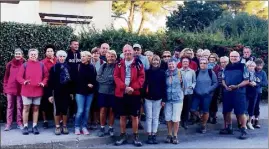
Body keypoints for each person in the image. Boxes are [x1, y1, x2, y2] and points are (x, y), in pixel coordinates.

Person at [114, 44, 145, 147]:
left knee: (134, 116)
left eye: (129, 50)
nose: (127, 52)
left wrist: (133, 88)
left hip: (134, 93)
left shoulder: (138, 63)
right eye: (125, 51)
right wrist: (124, 87)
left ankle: (135, 137)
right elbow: (116, 76)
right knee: (122, 116)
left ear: (133, 52)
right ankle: (122, 135)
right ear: (123, 52)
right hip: (121, 93)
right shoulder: (119, 63)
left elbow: (142, 77)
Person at [16, 48, 49, 135]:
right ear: (29, 55)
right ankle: (25, 126)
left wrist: (43, 82)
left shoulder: (41, 65)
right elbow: (18, 77)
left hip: (38, 90)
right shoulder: (25, 65)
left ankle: (34, 126)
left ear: (37, 55)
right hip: (26, 91)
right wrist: (24, 81)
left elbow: (46, 76)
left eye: (35, 54)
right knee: (26, 108)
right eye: (32, 54)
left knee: (36, 108)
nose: (33, 56)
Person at [220, 51, 249, 139]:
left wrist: (236, 86)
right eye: (232, 56)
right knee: (226, 111)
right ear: (229, 57)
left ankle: (243, 129)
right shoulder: (226, 67)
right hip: (227, 92)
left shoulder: (243, 66)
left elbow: (246, 80)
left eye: (235, 56)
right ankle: (229, 128)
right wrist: (225, 86)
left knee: (240, 112)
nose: (233, 58)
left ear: (239, 57)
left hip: (239, 93)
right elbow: (223, 79)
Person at [143, 55, 167, 144]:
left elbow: (164, 86)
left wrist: (164, 99)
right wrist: (142, 96)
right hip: (148, 98)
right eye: (154, 60)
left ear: (159, 62)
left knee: (155, 117)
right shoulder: (147, 72)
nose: (155, 62)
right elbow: (144, 85)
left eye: (157, 60)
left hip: (158, 98)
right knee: (149, 117)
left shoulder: (162, 72)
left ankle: (154, 134)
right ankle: (149, 135)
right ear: (151, 61)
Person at [190, 58, 218, 133]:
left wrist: (208, 90)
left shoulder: (210, 72)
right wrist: (195, 90)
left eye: (204, 63)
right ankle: (200, 117)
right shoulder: (196, 72)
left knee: (205, 111)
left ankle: (203, 126)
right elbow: (193, 82)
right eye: (201, 63)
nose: (203, 64)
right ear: (199, 64)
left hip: (207, 95)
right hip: (197, 95)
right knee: (192, 109)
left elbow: (215, 83)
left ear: (207, 64)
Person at [47, 50, 72, 135]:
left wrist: (71, 92)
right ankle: (57, 127)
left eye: (63, 56)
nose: (62, 58)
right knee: (57, 110)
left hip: (66, 92)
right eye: (60, 56)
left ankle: (64, 126)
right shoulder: (53, 68)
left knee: (65, 110)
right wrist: (50, 95)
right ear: (57, 57)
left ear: (65, 57)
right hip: (56, 91)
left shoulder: (69, 67)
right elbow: (50, 82)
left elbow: (71, 82)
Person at [74, 51, 97, 135]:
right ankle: (77, 127)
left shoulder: (92, 67)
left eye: (84, 56)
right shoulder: (78, 66)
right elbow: (76, 80)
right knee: (80, 110)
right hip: (80, 92)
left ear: (88, 57)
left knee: (87, 111)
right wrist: (87, 84)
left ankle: (84, 127)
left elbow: (95, 79)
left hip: (90, 93)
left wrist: (92, 85)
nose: (82, 57)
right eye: (82, 56)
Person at [3, 48, 25, 131]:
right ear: (14, 55)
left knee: (20, 106)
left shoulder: (24, 63)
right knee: (10, 106)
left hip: (20, 89)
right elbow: (6, 77)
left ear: (22, 55)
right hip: (10, 88)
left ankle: (19, 122)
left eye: (19, 54)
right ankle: (9, 123)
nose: (17, 55)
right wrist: (5, 87)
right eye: (16, 54)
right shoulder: (9, 64)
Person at [97, 50, 117, 137]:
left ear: (115, 57)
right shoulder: (103, 66)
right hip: (102, 91)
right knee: (103, 110)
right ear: (106, 57)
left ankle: (110, 128)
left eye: (112, 56)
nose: (110, 58)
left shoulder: (118, 66)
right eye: (109, 56)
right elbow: (98, 78)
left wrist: (108, 79)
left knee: (112, 111)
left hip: (113, 92)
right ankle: (102, 128)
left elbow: (116, 79)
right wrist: (109, 79)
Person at [164, 59, 184, 144]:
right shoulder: (165, 74)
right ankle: (169, 134)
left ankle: (175, 135)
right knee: (168, 117)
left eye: (172, 64)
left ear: (175, 65)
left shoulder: (180, 73)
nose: (171, 66)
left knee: (176, 118)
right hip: (168, 99)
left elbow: (184, 86)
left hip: (177, 99)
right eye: (169, 64)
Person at [41, 44, 57, 129]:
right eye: (48, 51)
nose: (49, 52)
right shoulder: (42, 62)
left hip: (56, 85)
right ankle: (45, 121)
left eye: (51, 51)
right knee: (45, 104)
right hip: (46, 85)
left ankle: (58, 121)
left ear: (54, 52)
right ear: (45, 53)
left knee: (57, 103)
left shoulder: (58, 60)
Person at [89, 47, 106, 130]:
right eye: (94, 53)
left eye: (97, 53)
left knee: (97, 104)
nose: (95, 54)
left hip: (100, 87)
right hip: (89, 86)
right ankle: (89, 121)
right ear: (91, 54)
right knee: (89, 104)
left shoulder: (103, 63)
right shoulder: (88, 62)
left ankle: (96, 121)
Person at [66, 40, 81, 122]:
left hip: (78, 81)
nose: (76, 45)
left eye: (77, 44)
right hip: (69, 81)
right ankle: (68, 115)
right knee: (69, 99)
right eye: (75, 44)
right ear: (70, 45)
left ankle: (76, 114)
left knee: (77, 98)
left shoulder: (80, 54)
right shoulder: (67, 54)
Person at [179, 57, 196, 129]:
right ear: (181, 63)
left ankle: (185, 122)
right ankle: (179, 122)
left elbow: (194, 81)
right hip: (180, 92)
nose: (185, 63)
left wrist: (192, 86)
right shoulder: (178, 71)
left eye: (186, 62)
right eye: (184, 62)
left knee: (187, 108)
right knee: (180, 108)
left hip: (189, 92)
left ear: (189, 63)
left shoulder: (192, 71)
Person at [212, 56, 229, 126]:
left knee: (227, 105)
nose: (223, 63)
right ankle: (214, 116)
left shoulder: (230, 70)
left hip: (228, 88)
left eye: (225, 62)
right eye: (222, 62)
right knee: (216, 102)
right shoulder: (217, 69)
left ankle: (227, 123)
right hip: (218, 88)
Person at [253, 58, 268, 128]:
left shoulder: (263, 73)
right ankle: (250, 119)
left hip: (258, 92)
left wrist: (257, 84)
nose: (259, 67)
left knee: (256, 106)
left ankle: (256, 120)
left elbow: (265, 83)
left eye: (260, 65)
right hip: (250, 91)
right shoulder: (252, 71)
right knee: (250, 106)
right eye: (257, 65)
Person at [208, 53, 221, 124]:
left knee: (215, 102)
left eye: (213, 57)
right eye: (210, 57)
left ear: (216, 59)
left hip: (216, 87)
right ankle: (209, 116)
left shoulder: (218, 67)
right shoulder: (206, 66)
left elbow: (219, 77)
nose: (211, 58)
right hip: (208, 86)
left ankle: (214, 116)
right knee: (208, 101)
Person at [245, 61, 258, 130]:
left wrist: (256, 84)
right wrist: (248, 83)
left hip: (254, 92)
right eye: (250, 66)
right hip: (246, 92)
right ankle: (244, 122)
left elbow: (261, 83)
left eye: (252, 66)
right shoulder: (244, 74)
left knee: (252, 107)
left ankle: (249, 122)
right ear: (247, 67)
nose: (251, 67)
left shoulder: (256, 74)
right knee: (245, 108)